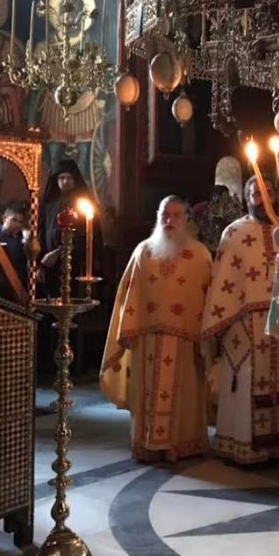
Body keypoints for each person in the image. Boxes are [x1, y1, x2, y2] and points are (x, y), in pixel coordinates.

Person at [200, 175, 279, 465]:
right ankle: (246, 445)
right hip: (247, 323)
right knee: (247, 381)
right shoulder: (235, 233)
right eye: (256, 193)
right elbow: (222, 281)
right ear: (247, 199)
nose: (263, 198)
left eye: (269, 191)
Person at [100, 196, 212, 462]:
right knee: (147, 392)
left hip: (187, 340)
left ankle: (183, 444)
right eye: (164, 214)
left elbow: (209, 300)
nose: (169, 220)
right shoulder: (143, 252)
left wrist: (209, 338)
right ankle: (147, 444)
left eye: (176, 215)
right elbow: (129, 293)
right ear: (158, 216)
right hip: (147, 339)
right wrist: (128, 329)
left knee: (184, 394)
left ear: (187, 219)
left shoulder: (201, 256)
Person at [37, 158, 102, 297]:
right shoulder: (49, 203)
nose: (65, 181)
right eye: (61, 178)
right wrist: (39, 263)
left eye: (69, 178)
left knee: (70, 298)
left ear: (75, 179)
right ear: (56, 180)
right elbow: (41, 232)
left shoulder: (84, 202)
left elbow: (87, 234)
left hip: (75, 262)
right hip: (48, 263)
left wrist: (59, 252)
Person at [0, 202, 29, 289]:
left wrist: (25, 232)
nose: (17, 225)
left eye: (20, 222)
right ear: (4, 218)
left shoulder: (21, 239)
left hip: (14, 281)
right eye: (14, 220)